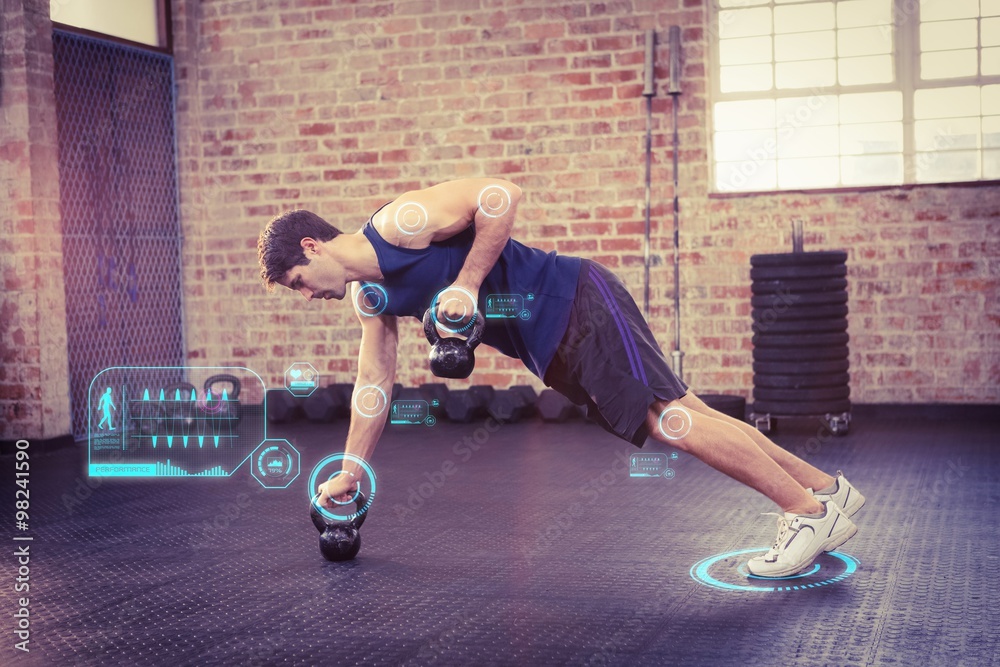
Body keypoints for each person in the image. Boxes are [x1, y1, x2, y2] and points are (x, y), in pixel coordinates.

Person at [256, 177, 864, 577]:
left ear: (312, 246)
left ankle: (806, 512)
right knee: (688, 412)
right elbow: (373, 384)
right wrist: (351, 468)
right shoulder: (371, 298)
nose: (307, 296)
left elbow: (498, 195)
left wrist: (466, 285)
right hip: (551, 341)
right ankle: (826, 493)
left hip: (572, 300)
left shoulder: (396, 224)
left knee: (668, 422)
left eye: (298, 283)